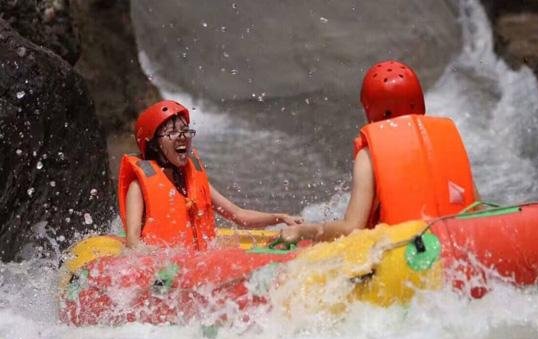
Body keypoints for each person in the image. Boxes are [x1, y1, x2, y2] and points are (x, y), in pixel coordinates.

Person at [281, 60, 478, 243]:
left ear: (370, 109)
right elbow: (476, 208)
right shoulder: (443, 138)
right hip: (465, 242)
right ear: (419, 100)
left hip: (405, 252)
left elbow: (352, 228)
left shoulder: (368, 156)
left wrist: (306, 231)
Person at [119, 100, 302, 249]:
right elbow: (133, 243)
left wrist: (280, 217)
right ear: (153, 145)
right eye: (172, 132)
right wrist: (163, 259)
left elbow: (239, 215)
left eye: (185, 130)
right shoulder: (138, 188)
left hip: (198, 263)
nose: (182, 136)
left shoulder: (192, 179)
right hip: (166, 270)